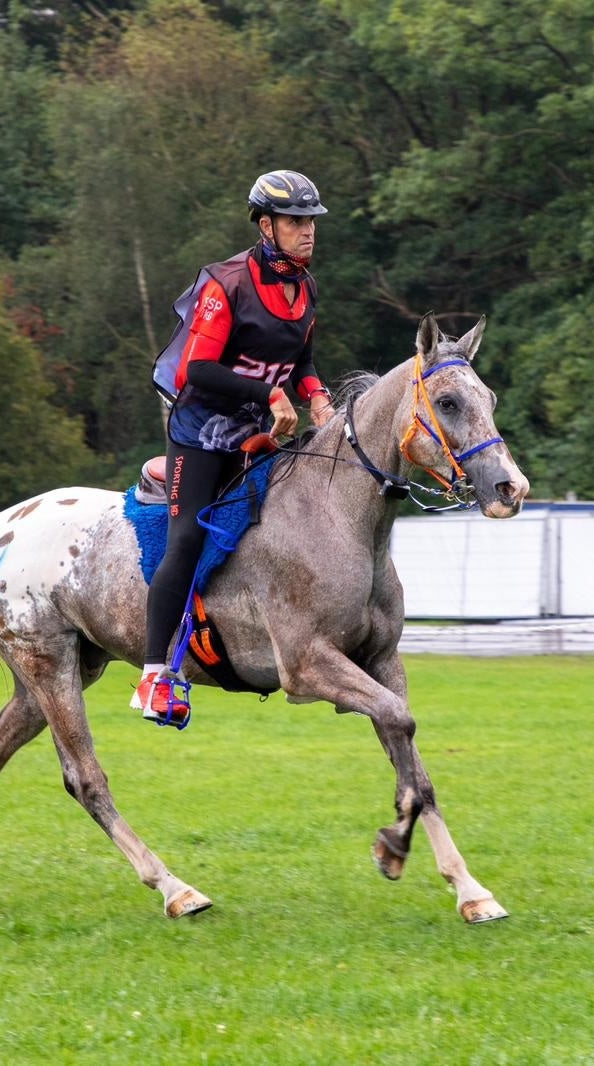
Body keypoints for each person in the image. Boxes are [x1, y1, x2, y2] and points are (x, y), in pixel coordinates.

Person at [136, 169, 337, 725]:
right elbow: (198, 370)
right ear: (266, 226)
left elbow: (304, 361)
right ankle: (154, 676)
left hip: (258, 432)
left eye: (311, 222)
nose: (307, 232)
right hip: (201, 431)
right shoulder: (226, 284)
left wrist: (316, 397)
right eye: (296, 221)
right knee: (187, 540)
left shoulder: (307, 288)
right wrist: (270, 391)